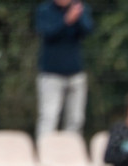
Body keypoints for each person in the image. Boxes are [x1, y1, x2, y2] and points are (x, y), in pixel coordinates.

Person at [35, 0, 94, 138]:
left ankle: (71, 154)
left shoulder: (80, 8)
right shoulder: (45, 10)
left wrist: (77, 18)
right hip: (51, 74)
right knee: (49, 117)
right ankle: (45, 152)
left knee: (76, 119)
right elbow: (47, 32)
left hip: (75, 73)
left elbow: (88, 30)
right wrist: (66, 21)